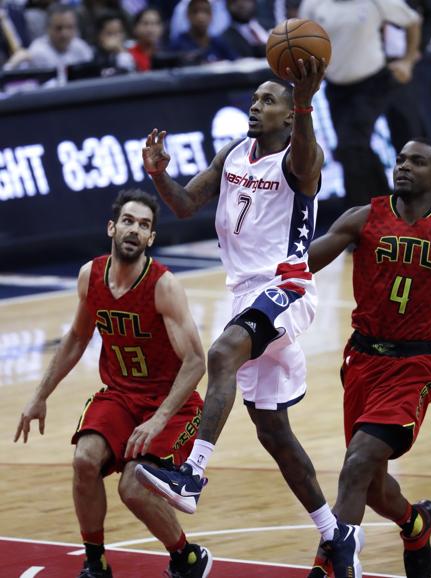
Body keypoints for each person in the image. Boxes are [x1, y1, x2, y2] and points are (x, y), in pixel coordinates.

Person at [135, 58, 365, 578]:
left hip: (286, 288)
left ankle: (191, 475)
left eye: (268, 102)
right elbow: (187, 205)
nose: (256, 107)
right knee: (273, 432)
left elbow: (307, 161)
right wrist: (158, 174)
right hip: (246, 295)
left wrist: (306, 100)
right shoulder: (235, 152)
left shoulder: (300, 157)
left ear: (290, 116)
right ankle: (336, 534)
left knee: (221, 353)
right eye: (255, 100)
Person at [304, 137, 431, 578]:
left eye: (418, 162)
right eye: (401, 159)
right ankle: (415, 522)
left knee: (356, 463)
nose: (404, 166)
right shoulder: (363, 217)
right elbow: (304, 263)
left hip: (415, 364)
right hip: (363, 359)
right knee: (368, 484)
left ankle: (330, 564)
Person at [14, 189, 212, 578]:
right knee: (84, 460)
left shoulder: (163, 286)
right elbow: (76, 337)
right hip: (121, 395)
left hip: (171, 405)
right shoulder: (91, 275)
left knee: (133, 487)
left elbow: (195, 362)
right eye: (128, 221)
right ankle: (95, 562)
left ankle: (187, 557)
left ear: (151, 238)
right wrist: (39, 395)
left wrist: (157, 420)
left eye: (144, 225)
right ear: (112, 227)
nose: (134, 230)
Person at [299, 0, 422, 208]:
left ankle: (364, 212)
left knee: (351, 145)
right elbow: (301, 39)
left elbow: (412, 21)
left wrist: (408, 60)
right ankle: (386, 205)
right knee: (354, 149)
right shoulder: (313, 4)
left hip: (371, 82)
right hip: (336, 87)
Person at [3, 4, 92, 74]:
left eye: (69, 27)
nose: (64, 34)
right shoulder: (38, 52)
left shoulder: (81, 47)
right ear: (47, 28)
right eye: (58, 28)